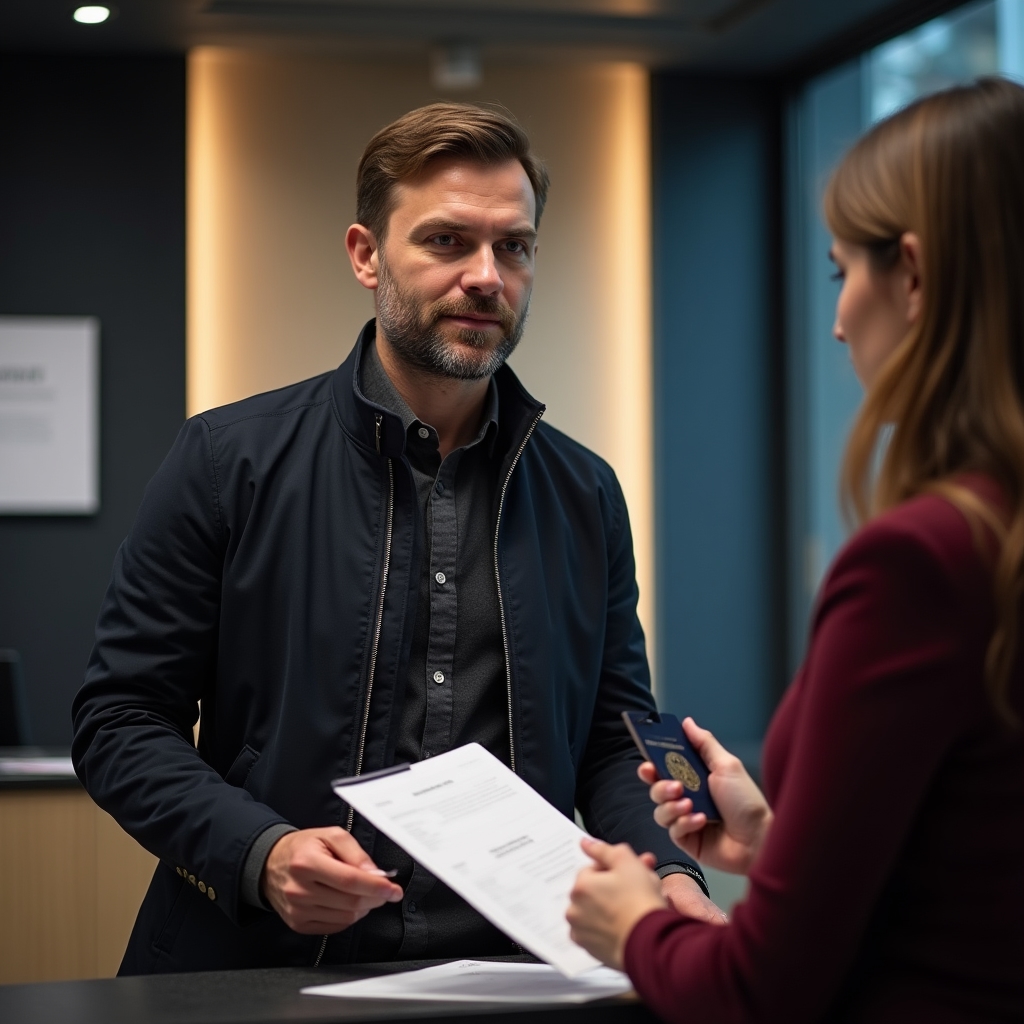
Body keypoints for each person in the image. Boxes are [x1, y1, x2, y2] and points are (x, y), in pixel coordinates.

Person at [72, 102, 720, 975]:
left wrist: (670, 872)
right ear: (365, 255)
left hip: (512, 975)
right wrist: (257, 852)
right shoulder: (228, 460)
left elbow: (613, 737)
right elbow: (119, 719)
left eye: (515, 247)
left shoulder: (585, 492)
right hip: (257, 969)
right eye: (448, 242)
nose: (487, 277)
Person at [567, 77, 1024, 1022]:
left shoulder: (918, 561)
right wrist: (781, 844)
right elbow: (977, 876)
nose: (839, 319)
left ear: (913, 273)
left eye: (840, 274)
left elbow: (759, 990)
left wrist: (637, 924)